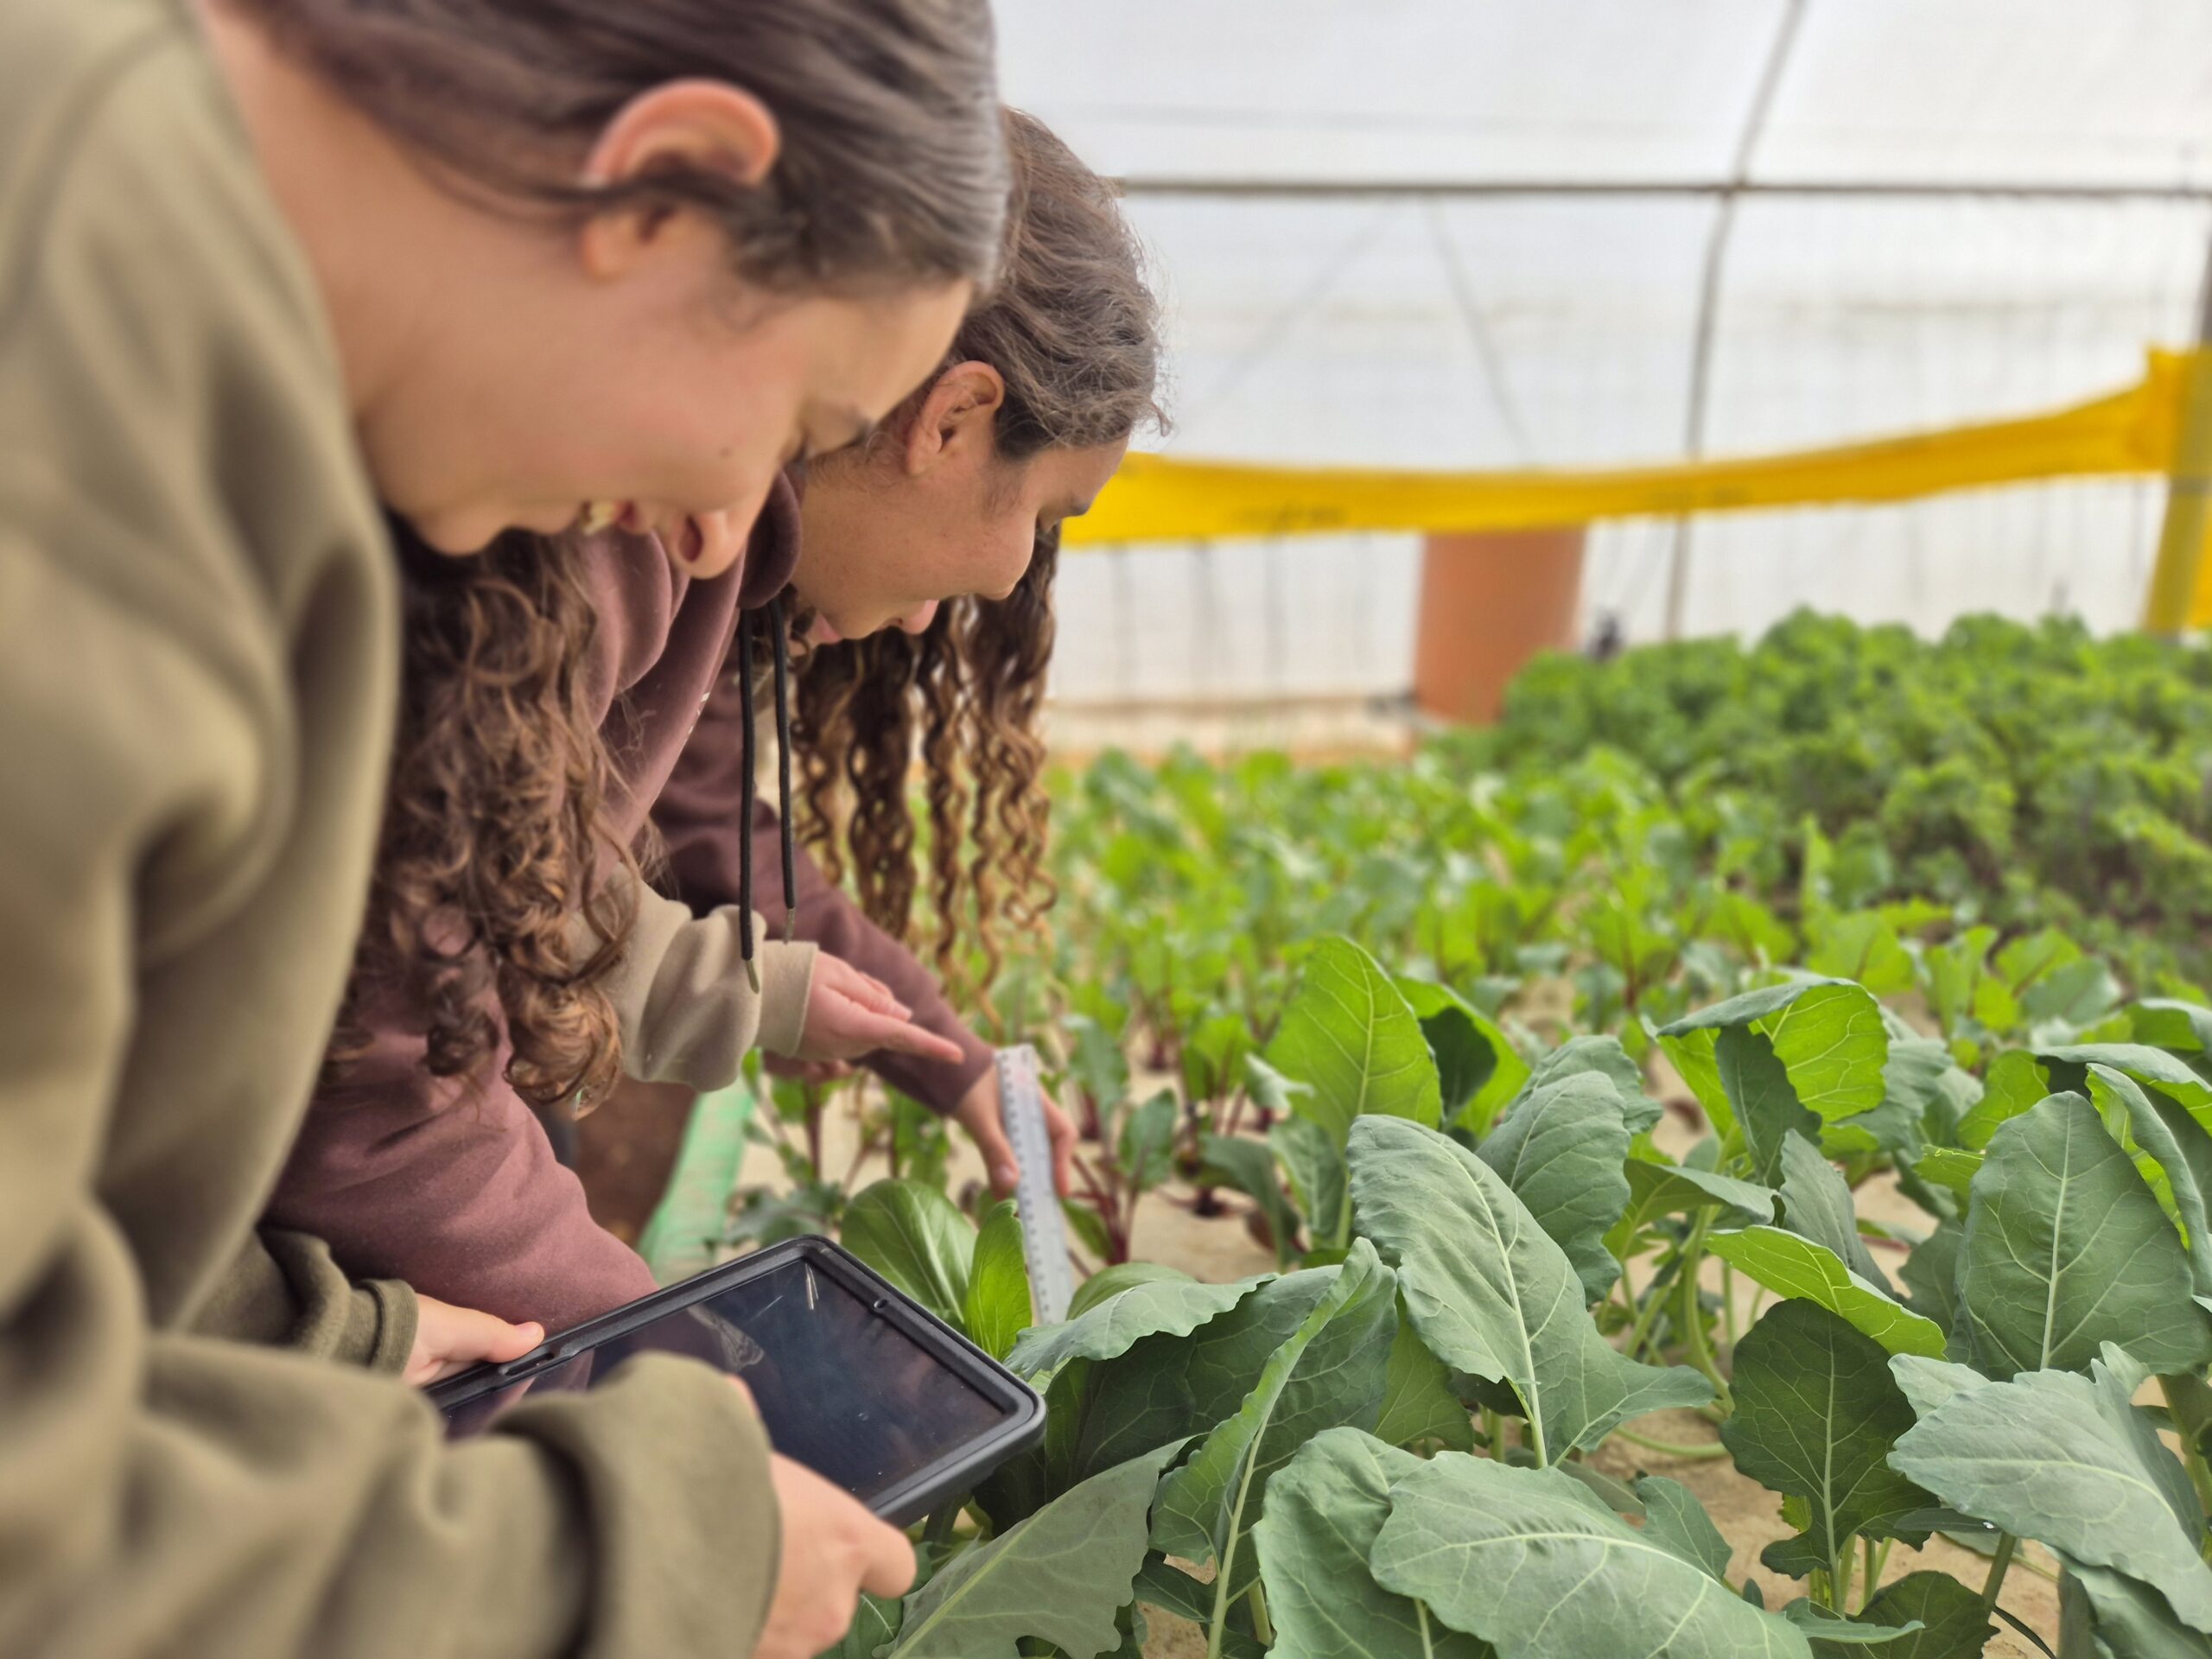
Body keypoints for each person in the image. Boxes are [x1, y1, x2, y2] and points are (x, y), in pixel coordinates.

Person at [0, 0, 1009, 1652]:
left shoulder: (201, 348)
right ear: (665, 181)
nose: (716, 527)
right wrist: (634, 1555)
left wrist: (316, 1333)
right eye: (801, 426)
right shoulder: (90, 399)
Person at [274, 111, 1161, 1337]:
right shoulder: (632, 511)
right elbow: (391, 1076)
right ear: (949, 416)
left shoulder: (696, 550)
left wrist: (902, 1035)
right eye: (1049, 510)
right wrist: (684, 1387)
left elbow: (580, 872)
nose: (1017, 579)